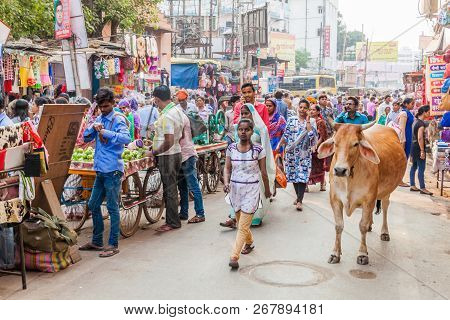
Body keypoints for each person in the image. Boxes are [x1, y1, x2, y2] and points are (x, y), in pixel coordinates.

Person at [80, 87, 131, 257]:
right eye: (101, 107)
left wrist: (104, 132)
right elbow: (85, 137)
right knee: (93, 204)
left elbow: (126, 138)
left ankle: (113, 244)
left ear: (113, 103)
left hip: (113, 170)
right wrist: (93, 128)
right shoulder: (99, 118)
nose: (103, 109)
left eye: (106, 106)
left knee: (112, 207)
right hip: (100, 169)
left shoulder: (118, 119)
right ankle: (97, 241)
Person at [224, 119, 271, 269]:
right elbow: (227, 168)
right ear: (237, 131)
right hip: (235, 190)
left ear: (252, 131)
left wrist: (268, 190)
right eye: (240, 130)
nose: (243, 132)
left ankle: (234, 256)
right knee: (241, 223)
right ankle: (249, 242)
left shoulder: (258, 150)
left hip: (252, 190)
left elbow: (264, 173)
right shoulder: (231, 148)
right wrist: (226, 183)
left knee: (242, 225)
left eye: (247, 130)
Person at [220, 104, 275, 228]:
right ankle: (234, 218)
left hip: (255, 167)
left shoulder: (261, 129)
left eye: (246, 113)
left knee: (254, 195)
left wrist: (265, 171)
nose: (244, 116)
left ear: (253, 113)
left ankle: (253, 219)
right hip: (239, 168)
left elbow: (265, 148)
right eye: (242, 113)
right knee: (237, 194)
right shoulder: (237, 128)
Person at [151, 85, 184, 232]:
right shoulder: (177, 110)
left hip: (167, 155)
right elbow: (179, 136)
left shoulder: (167, 115)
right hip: (176, 152)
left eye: (155, 101)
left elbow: (168, 140)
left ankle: (172, 222)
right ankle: (173, 218)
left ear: (157, 100)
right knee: (172, 187)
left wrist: (154, 152)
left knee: (169, 189)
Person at [277, 99, 317, 211]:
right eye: (300, 107)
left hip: (304, 153)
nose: (302, 110)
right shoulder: (291, 120)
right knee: (294, 175)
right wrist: (279, 145)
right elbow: (286, 135)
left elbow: (311, 137)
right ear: (297, 108)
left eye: (305, 108)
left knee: (303, 176)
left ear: (308, 110)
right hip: (291, 153)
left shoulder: (312, 122)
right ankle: (298, 197)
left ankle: (299, 201)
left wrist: (308, 120)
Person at [177, 101, 206, 223]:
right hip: (182, 154)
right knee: (182, 186)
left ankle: (200, 213)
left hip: (187, 154)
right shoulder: (181, 115)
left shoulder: (180, 118)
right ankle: (183, 213)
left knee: (193, 186)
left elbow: (178, 137)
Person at [410, 105, 433, 195]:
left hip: (413, 146)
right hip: (418, 147)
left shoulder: (415, 121)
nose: (429, 113)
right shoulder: (421, 124)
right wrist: (422, 151)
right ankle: (422, 188)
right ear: (424, 112)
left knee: (414, 166)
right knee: (421, 168)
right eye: (428, 112)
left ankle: (412, 185)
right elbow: (420, 138)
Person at [309, 104, 328, 191]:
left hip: (318, 147)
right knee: (308, 166)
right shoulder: (308, 121)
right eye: (310, 110)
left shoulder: (320, 122)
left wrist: (316, 145)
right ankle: (305, 184)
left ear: (318, 112)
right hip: (308, 147)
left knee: (320, 166)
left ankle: (322, 183)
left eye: (313, 110)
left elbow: (322, 136)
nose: (311, 111)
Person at [398, 97, 415, 187]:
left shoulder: (408, 112)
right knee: (403, 160)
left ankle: (400, 179)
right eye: (412, 104)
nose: (413, 105)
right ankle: (399, 180)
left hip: (408, 138)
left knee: (405, 159)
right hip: (405, 139)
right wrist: (402, 142)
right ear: (406, 104)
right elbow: (402, 129)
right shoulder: (404, 113)